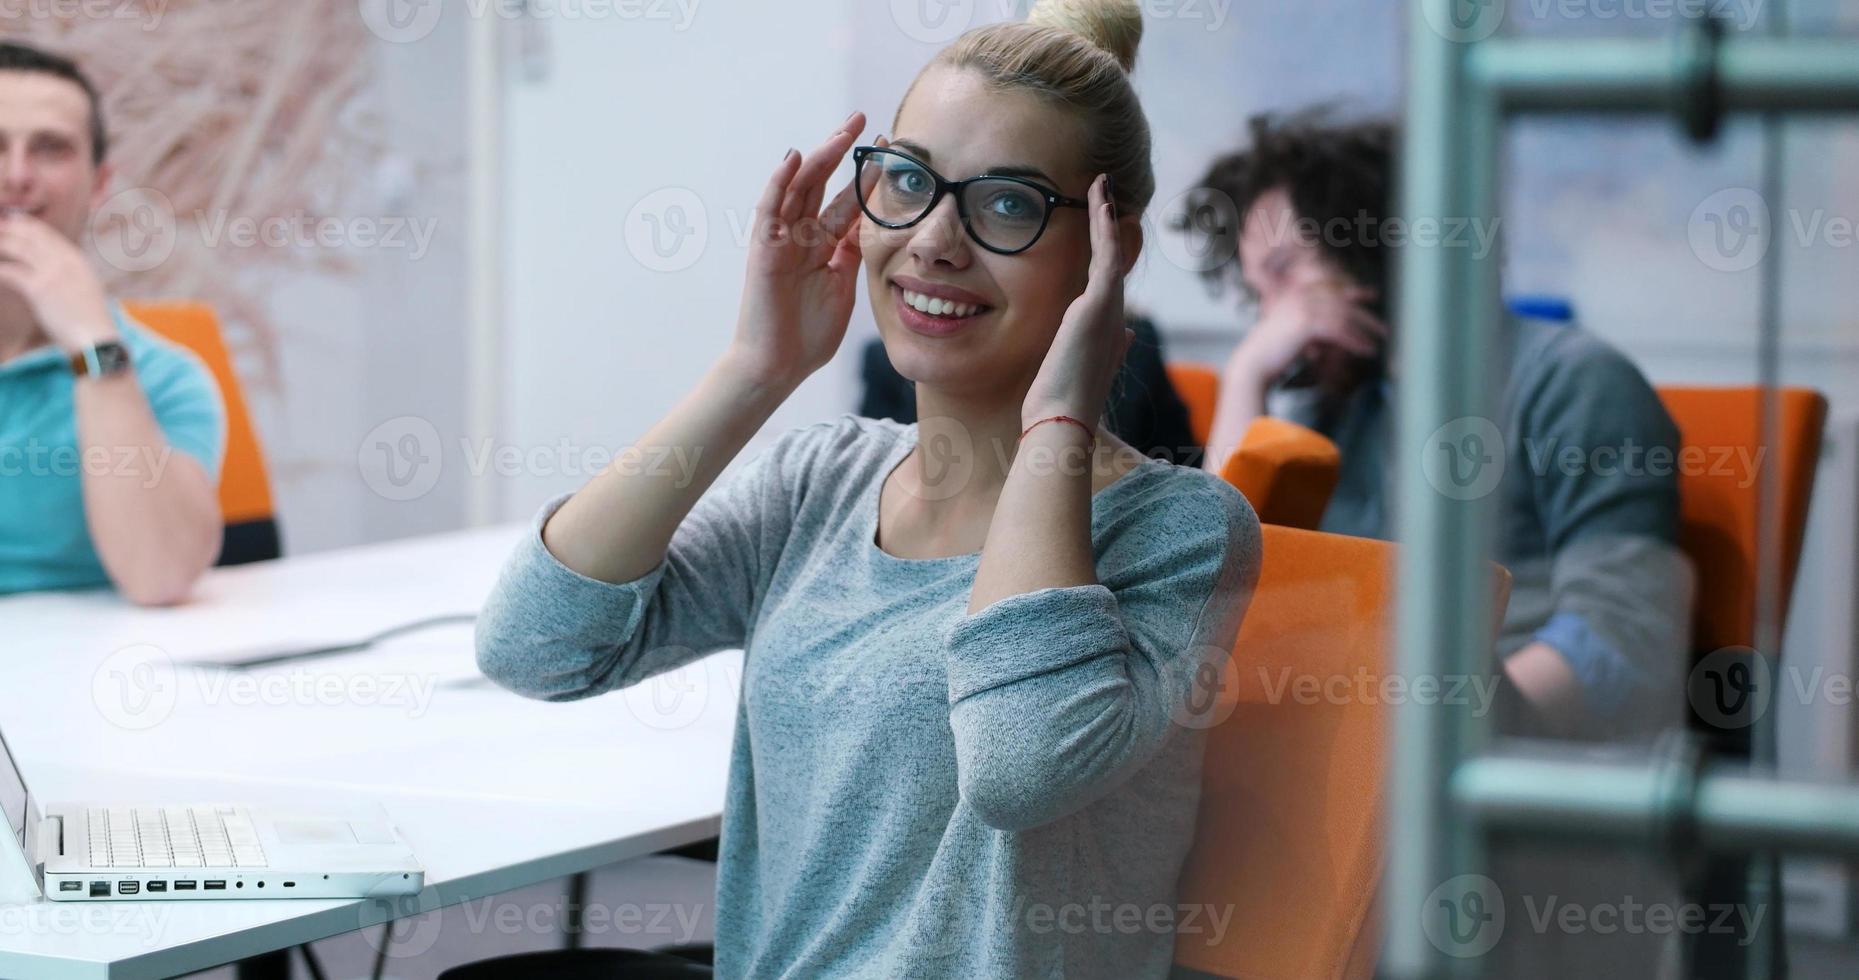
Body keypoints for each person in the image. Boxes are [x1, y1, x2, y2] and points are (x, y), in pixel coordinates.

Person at [473, 1, 1261, 977]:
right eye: (909, 179)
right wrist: (755, 369)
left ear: (1107, 253)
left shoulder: (1181, 527)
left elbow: (1017, 765)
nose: (933, 238)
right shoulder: (824, 480)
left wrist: (1059, 419)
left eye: (1007, 202)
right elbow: (536, 646)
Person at [1190, 108, 1694, 742]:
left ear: (1371, 239)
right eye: (1259, 291)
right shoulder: (1334, 402)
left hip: (1506, 761)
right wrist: (1247, 375)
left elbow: (1623, 646)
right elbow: (1220, 590)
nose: (1276, 317)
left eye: (1286, 271)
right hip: (1359, 751)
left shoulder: (1571, 380)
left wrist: (1444, 742)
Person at [0, 41, 225, 604]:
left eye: (50, 149)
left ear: (99, 185)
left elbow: (161, 576)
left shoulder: (164, 377)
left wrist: (93, 344)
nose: (17, 175)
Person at [858, 311, 1203, 466]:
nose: (932, 244)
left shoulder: (1132, 347)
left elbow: (1183, 462)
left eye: (1011, 205)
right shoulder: (887, 363)